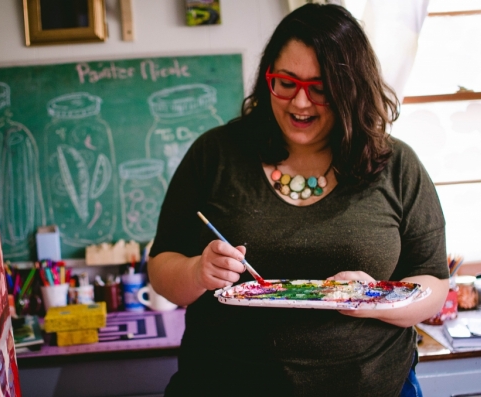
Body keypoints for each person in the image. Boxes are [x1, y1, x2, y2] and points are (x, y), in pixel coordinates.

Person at [147, 3, 449, 396]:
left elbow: (434, 285)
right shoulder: (216, 154)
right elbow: (161, 267)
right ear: (266, 77)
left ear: (350, 89)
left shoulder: (396, 165)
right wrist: (197, 272)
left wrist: (372, 299)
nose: (299, 102)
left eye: (320, 87)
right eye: (285, 82)